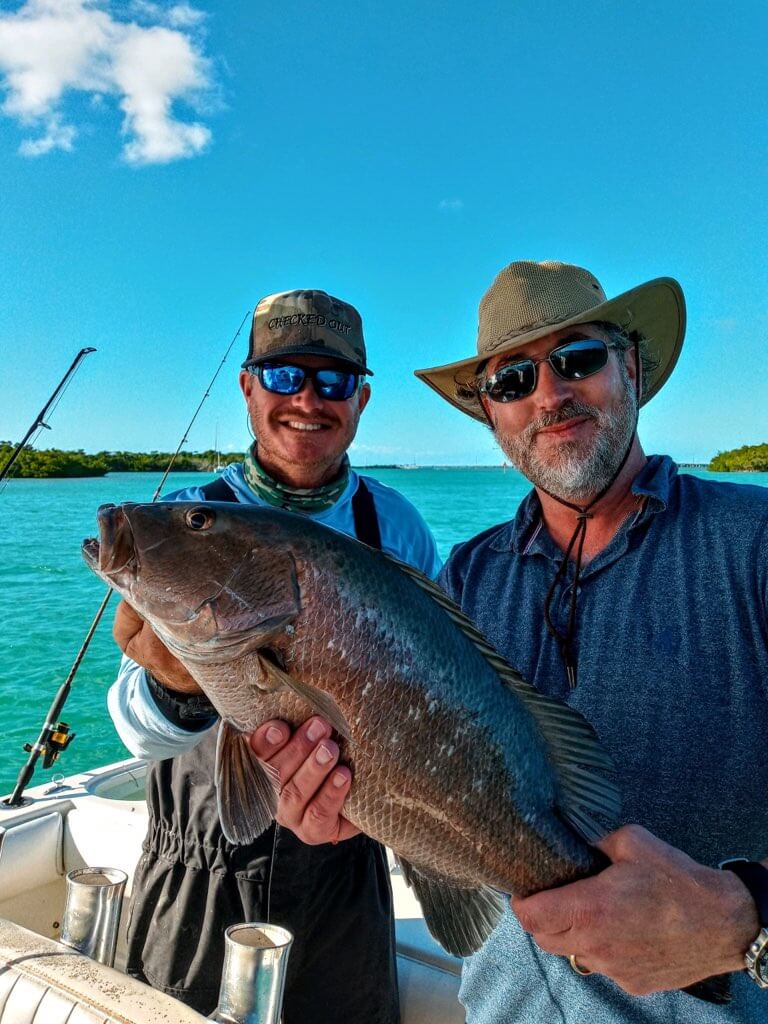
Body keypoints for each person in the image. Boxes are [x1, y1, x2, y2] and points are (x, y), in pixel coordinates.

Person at [410, 259, 768, 1021]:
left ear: (631, 366)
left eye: (577, 359)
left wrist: (748, 915)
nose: (549, 393)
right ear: (489, 413)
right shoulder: (467, 575)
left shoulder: (756, 546)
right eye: (511, 380)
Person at [108, 288, 441, 1024]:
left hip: (348, 866)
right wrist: (181, 684)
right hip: (195, 871)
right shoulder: (186, 519)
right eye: (287, 375)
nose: (309, 399)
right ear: (249, 385)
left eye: (335, 380)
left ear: (362, 398)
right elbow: (131, 725)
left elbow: (443, 692)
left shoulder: (395, 524)